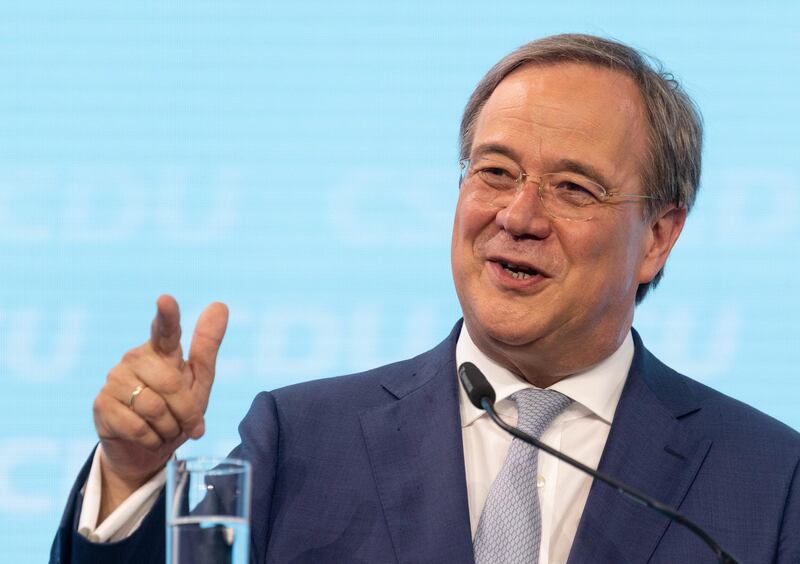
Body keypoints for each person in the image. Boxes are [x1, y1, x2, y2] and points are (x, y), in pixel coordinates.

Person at [51, 34, 799, 564]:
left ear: (661, 235)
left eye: (573, 188)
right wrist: (132, 472)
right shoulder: (303, 441)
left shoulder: (767, 479)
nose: (518, 216)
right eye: (495, 172)